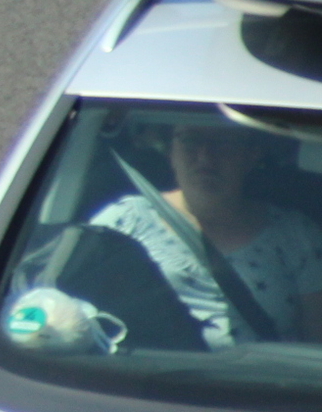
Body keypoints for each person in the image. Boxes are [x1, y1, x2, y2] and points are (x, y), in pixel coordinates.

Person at [89, 121, 322, 347]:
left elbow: (316, 347)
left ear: (252, 154)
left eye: (224, 143)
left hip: (266, 385)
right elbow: (77, 315)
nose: (205, 158)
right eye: (190, 141)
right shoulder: (125, 222)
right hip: (139, 383)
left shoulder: (295, 234)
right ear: (170, 150)